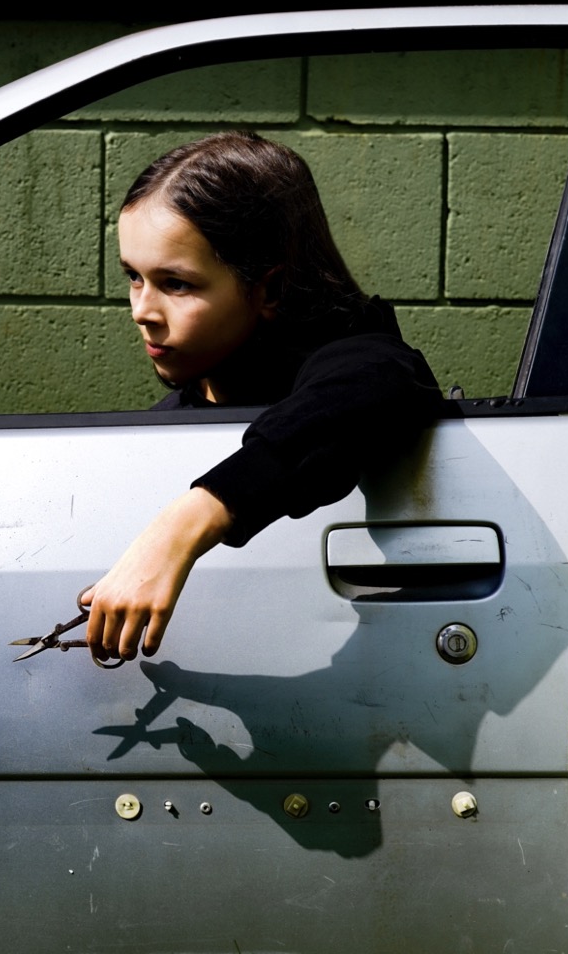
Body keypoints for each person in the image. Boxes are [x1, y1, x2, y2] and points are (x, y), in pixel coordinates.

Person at [83, 132, 442, 663]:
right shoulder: (166, 425)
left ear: (269, 289)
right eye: (134, 277)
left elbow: (375, 384)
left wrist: (186, 523)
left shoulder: (364, 368)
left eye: (176, 284)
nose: (142, 309)